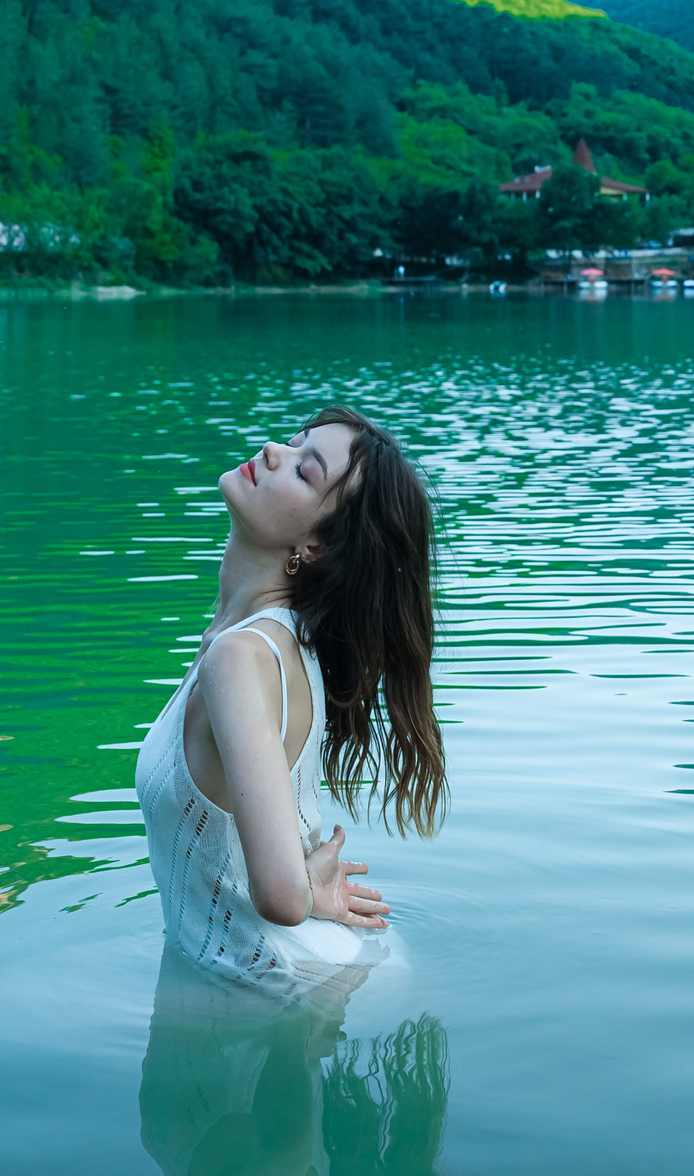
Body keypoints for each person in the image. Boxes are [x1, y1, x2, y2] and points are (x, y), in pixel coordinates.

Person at [135, 405, 446, 994]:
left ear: (318, 546)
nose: (274, 451)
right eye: (295, 440)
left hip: (280, 986)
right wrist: (307, 890)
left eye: (305, 470)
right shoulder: (266, 641)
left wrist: (307, 892)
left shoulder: (241, 655)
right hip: (285, 978)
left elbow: (281, 896)